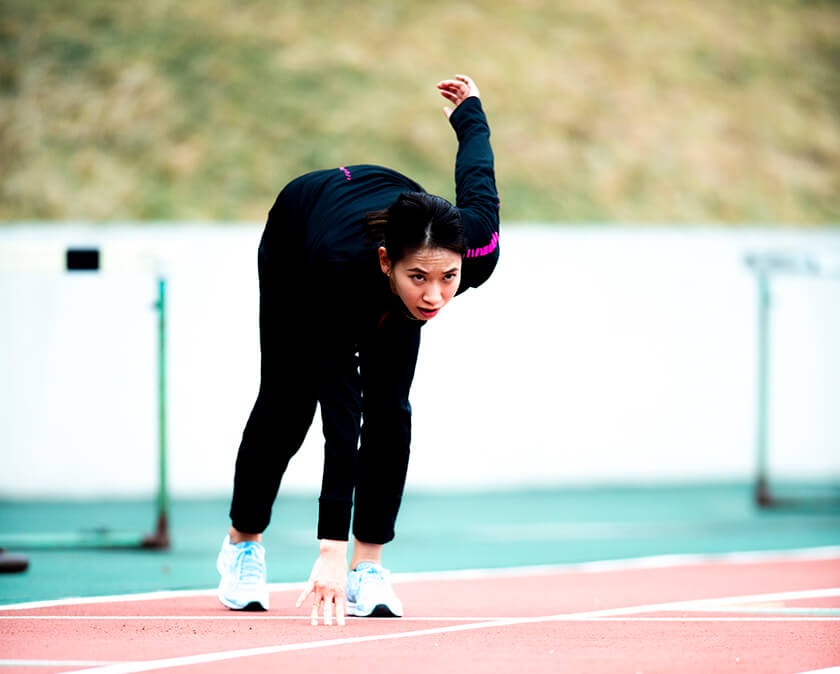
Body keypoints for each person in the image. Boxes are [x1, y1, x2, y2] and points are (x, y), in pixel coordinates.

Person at [216, 74, 500, 626]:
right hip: (302, 236)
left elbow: (478, 176)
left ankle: (370, 566)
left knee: (391, 410)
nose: (436, 296)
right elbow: (341, 419)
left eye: (448, 277)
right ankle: (242, 543)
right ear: (387, 263)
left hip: (388, 220)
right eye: (419, 277)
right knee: (290, 403)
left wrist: (470, 114)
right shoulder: (337, 270)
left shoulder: (474, 247)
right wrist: (328, 550)